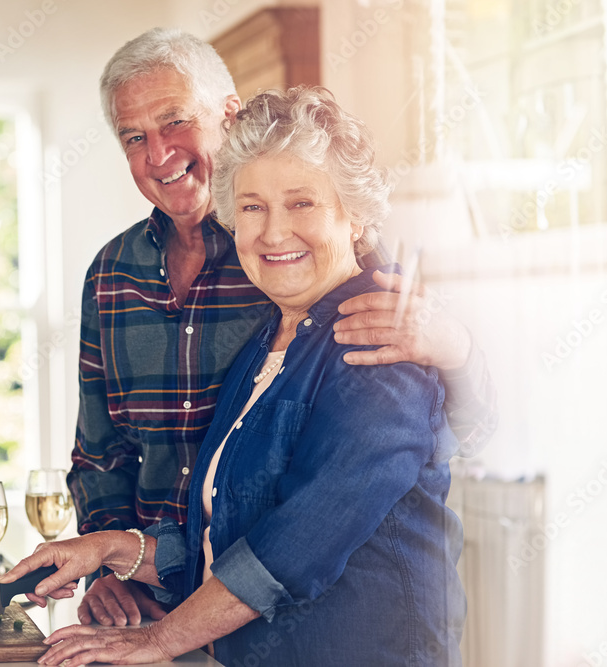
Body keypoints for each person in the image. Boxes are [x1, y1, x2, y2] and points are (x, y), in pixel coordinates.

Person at [3, 86, 465, 666]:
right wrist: (108, 548)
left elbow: (295, 546)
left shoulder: (379, 341)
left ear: (355, 218)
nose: (273, 233)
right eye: (252, 207)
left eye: (301, 204)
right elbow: (228, 536)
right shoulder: (265, 344)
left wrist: (159, 639)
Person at [69, 27, 495, 627]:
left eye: (175, 121)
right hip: (155, 597)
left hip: (304, 618)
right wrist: (109, 571)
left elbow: (435, 424)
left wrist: (458, 349)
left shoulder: (309, 267)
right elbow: (99, 455)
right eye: (134, 137)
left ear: (229, 116)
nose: (158, 154)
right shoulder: (112, 273)